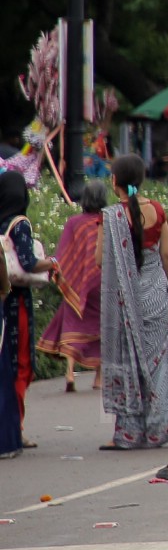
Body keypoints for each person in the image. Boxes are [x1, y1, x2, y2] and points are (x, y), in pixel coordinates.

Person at [96, 156, 168, 451]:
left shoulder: (111, 216)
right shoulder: (157, 210)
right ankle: (159, 429)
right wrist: (162, 284)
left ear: (114, 181)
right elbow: (166, 255)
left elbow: (99, 260)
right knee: (156, 362)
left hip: (124, 297)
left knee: (127, 359)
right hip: (155, 290)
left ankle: (128, 433)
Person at [1, 171, 57, 457]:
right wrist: (53, 262)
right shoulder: (19, 225)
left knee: (6, 363)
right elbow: (28, 262)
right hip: (17, 300)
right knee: (22, 363)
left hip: (2, 299)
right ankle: (15, 427)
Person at [39, 181, 107, 391]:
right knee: (102, 326)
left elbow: (63, 255)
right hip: (102, 282)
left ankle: (70, 373)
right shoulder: (107, 222)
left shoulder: (73, 223)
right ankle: (98, 378)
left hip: (77, 283)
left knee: (72, 319)